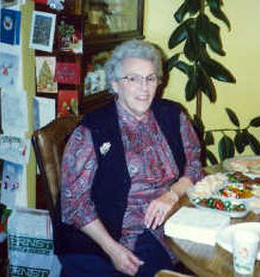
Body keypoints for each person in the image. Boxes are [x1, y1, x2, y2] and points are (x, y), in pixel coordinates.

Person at [57, 39, 204, 277]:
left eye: (150, 78)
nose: (143, 88)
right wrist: (112, 249)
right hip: (100, 236)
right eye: (132, 79)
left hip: (161, 229)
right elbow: (74, 204)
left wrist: (172, 194)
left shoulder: (173, 116)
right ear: (115, 84)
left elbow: (195, 165)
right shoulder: (93, 130)